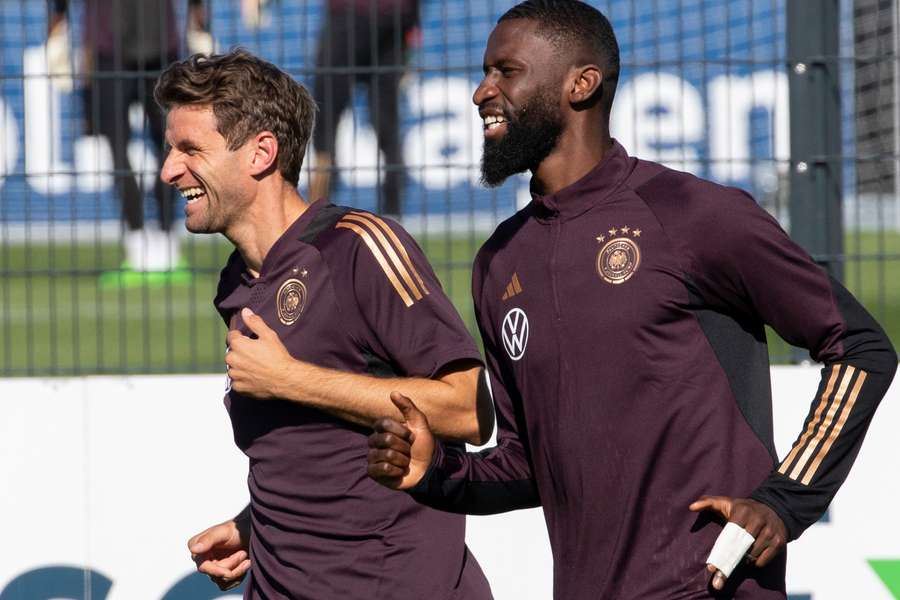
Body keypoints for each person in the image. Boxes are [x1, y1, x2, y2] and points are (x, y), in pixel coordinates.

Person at [367, 1, 898, 599]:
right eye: (485, 72)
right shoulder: (499, 264)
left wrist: (784, 502)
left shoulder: (693, 215)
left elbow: (859, 347)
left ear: (581, 83)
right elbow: (526, 465)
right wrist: (435, 474)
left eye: (505, 71)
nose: (480, 93)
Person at [154, 49, 494, 599]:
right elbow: (319, 451)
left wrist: (292, 379)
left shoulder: (357, 248)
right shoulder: (236, 284)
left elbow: (468, 409)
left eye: (190, 149)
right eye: (170, 149)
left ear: (261, 153)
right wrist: (252, 526)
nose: (168, 170)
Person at [49, 0, 208, 279]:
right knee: (124, 147)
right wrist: (58, 25)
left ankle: (164, 241)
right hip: (115, 44)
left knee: (170, 146)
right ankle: (141, 244)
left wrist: (197, 22)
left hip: (150, 42)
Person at [310, 0, 420, 217]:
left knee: (327, 116)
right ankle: (392, 215)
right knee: (384, 121)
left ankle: (315, 213)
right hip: (394, 19)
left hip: (360, 16)